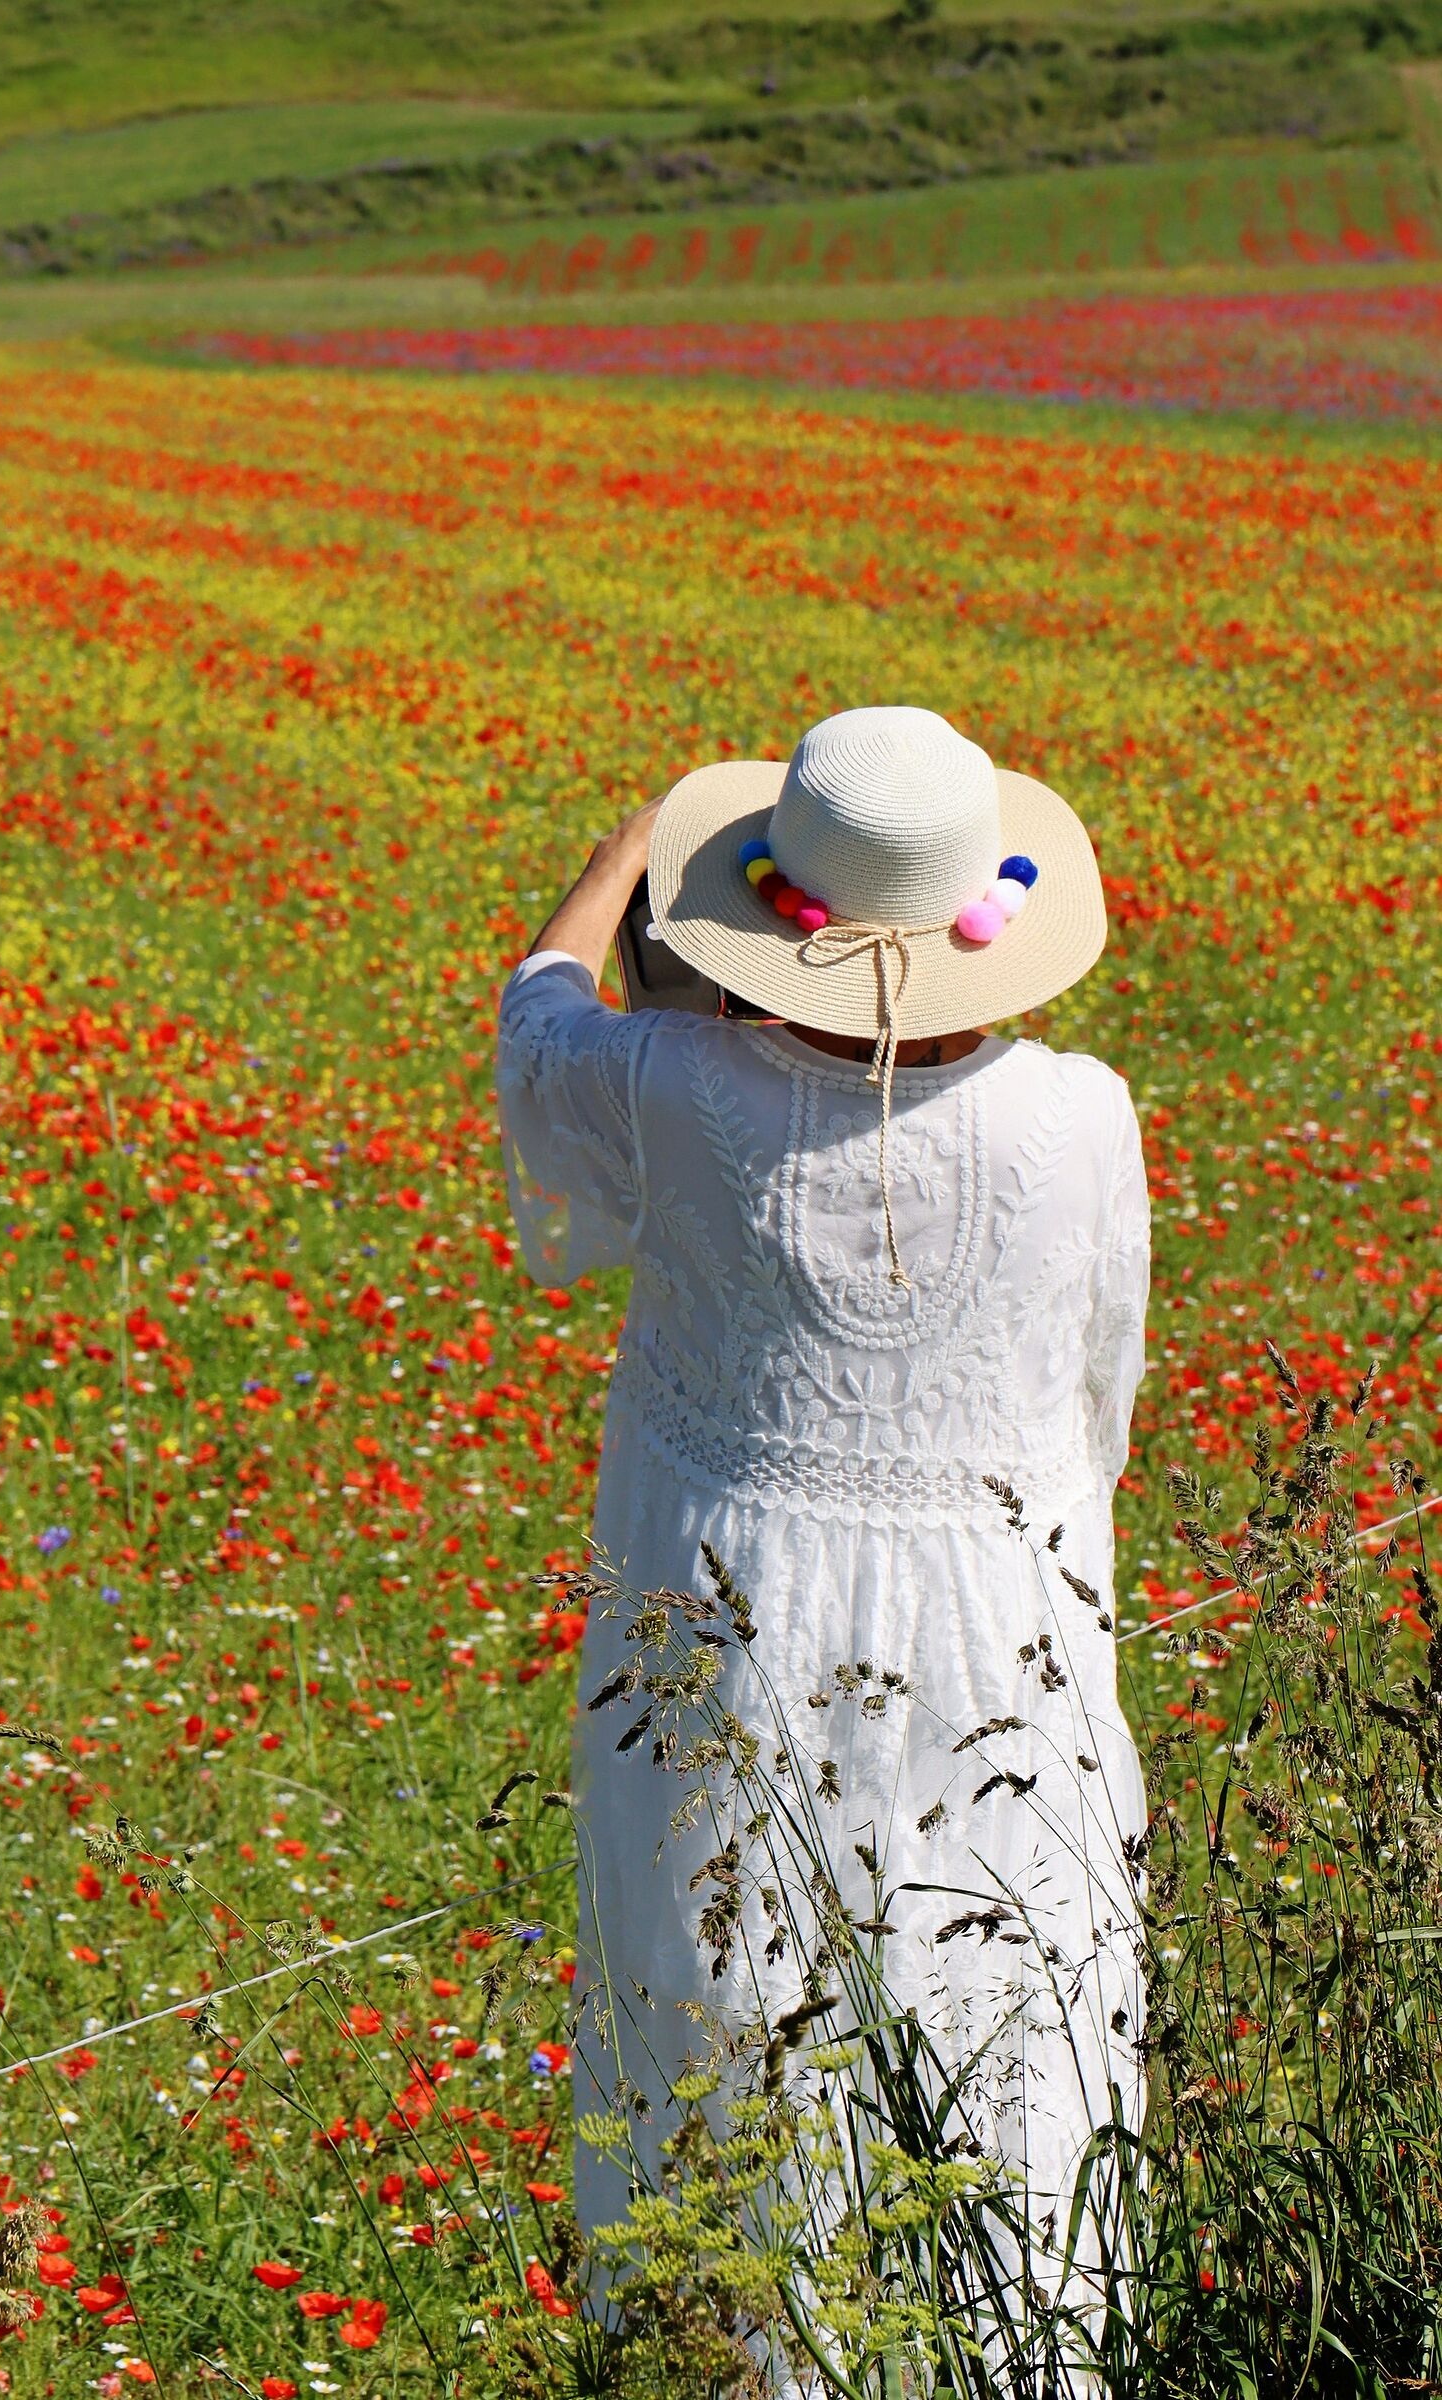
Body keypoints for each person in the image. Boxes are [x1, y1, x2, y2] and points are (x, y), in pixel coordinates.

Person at [494, 707, 1150, 2347]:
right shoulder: (1085, 1117)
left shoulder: (672, 1087)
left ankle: (730, 2346)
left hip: (730, 1629)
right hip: (1004, 1645)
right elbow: (1101, 1407)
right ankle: (1010, 2350)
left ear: (775, 917)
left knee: (726, 1992)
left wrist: (624, 857)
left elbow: (537, 1023)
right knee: (1002, 1995)